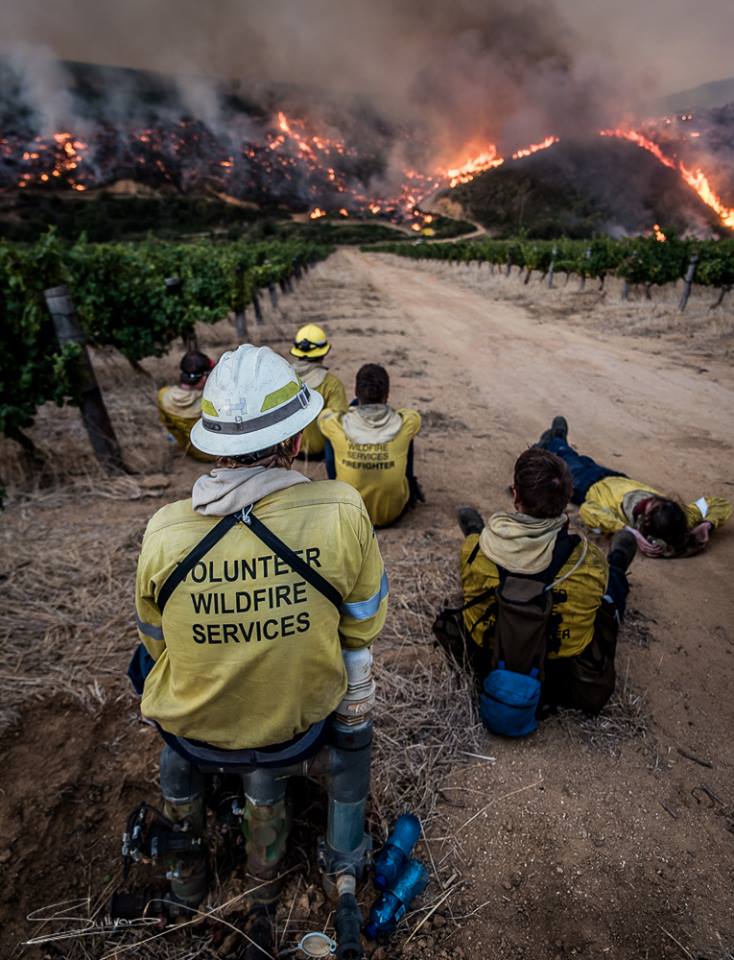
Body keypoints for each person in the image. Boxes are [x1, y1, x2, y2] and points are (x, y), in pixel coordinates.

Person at [131, 344, 388, 920]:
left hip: (192, 737)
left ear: (214, 445)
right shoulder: (342, 511)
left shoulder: (164, 532)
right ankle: (324, 864)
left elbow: (154, 643)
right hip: (299, 733)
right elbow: (364, 625)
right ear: (296, 442)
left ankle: (188, 881)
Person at [452, 447, 636, 714]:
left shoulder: (475, 551)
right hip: (563, 675)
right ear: (566, 499)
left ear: (516, 496)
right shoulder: (589, 560)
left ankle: (474, 528)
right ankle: (618, 561)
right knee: (610, 593)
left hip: (490, 662)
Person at [537, 416, 732, 557]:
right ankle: (552, 443)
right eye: (657, 500)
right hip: (614, 477)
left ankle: (553, 441)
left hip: (586, 485)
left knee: (564, 458)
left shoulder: (626, 521)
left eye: (648, 507)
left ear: (644, 526)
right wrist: (708, 524)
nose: (647, 501)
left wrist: (628, 531)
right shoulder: (683, 516)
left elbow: (588, 510)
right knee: (583, 460)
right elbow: (718, 503)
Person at [318, 363, 423, 528]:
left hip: (350, 516)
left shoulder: (335, 424)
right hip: (392, 513)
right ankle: (410, 484)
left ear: (356, 391)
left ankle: (335, 487)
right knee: (407, 436)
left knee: (330, 436)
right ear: (387, 395)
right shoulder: (405, 423)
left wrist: (352, 408)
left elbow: (325, 415)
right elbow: (410, 414)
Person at [289, 323, 348, 458]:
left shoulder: (282, 378)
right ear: (324, 352)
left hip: (288, 452)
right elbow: (340, 424)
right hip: (320, 453)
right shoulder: (332, 384)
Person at [157, 350, 215, 462]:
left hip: (190, 450)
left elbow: (167, 423)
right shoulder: (210, 402)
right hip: (213, 454)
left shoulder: (163, 395)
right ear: (203, 378)